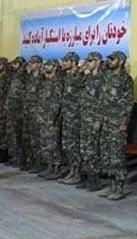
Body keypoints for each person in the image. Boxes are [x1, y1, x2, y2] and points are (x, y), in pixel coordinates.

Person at [98, 51, 134, 200]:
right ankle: (111, 185)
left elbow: (128, 103)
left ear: (121, 61)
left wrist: (123, 122)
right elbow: (102, 100)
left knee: (117, 156)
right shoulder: (107, 77)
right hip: (106, 122)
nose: (110, 62)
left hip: (117, 123)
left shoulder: (126, 79)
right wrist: (99, 118)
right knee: (107, 154)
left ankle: (119, 187)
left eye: (112, 59)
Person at [76, 52, 104, 192]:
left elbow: (102, 101)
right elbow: (76, 86)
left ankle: (95, 179)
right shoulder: (87, 78)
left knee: (93, 150)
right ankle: (86, 177)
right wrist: (82, 72)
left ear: (98, 62)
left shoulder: (102, 79)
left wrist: (98, 119)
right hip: (84, 117)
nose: (88, 63)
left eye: (91, 60)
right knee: (84, 149)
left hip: (93, 119)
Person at [58, 51, 84, 185]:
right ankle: (71, 171)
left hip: (75, 116)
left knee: (74, 145)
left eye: (66, 61)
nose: (63, 63)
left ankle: (77, 173)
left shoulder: (80, 77)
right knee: (67, 145)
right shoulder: (67, 76)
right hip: (67, 115)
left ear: (73, 62)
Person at [36, 58, 63, 180]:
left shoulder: (57, 82)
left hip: (51, 119)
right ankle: (49, 166)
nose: (45, 67)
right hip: (42, 117)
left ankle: (56, 168)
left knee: (53, 144)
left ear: (55, 67)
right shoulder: (44, 81)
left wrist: (52, 117)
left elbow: (57, 102)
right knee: (45, 144)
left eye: (48, 65)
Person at [4, 56, 28, 168]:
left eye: (16, 63)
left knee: (18, 135)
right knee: (12, 134)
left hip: (18, 110)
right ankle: (14, 157)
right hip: (12, 109)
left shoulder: (23, 75)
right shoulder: (14, 75)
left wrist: (21, 66)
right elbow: (6, 69)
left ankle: (19, 158)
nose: (13, 65)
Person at [25, 55, 44, 174]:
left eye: (33, 63)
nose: (30, 65)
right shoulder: (29, 78)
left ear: (39, 64)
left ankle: (40, 163)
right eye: (30, 62)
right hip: (28, 112)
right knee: (31, 139)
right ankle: (32, 161)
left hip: (38, 112)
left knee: (38, 139)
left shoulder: (42, 79)